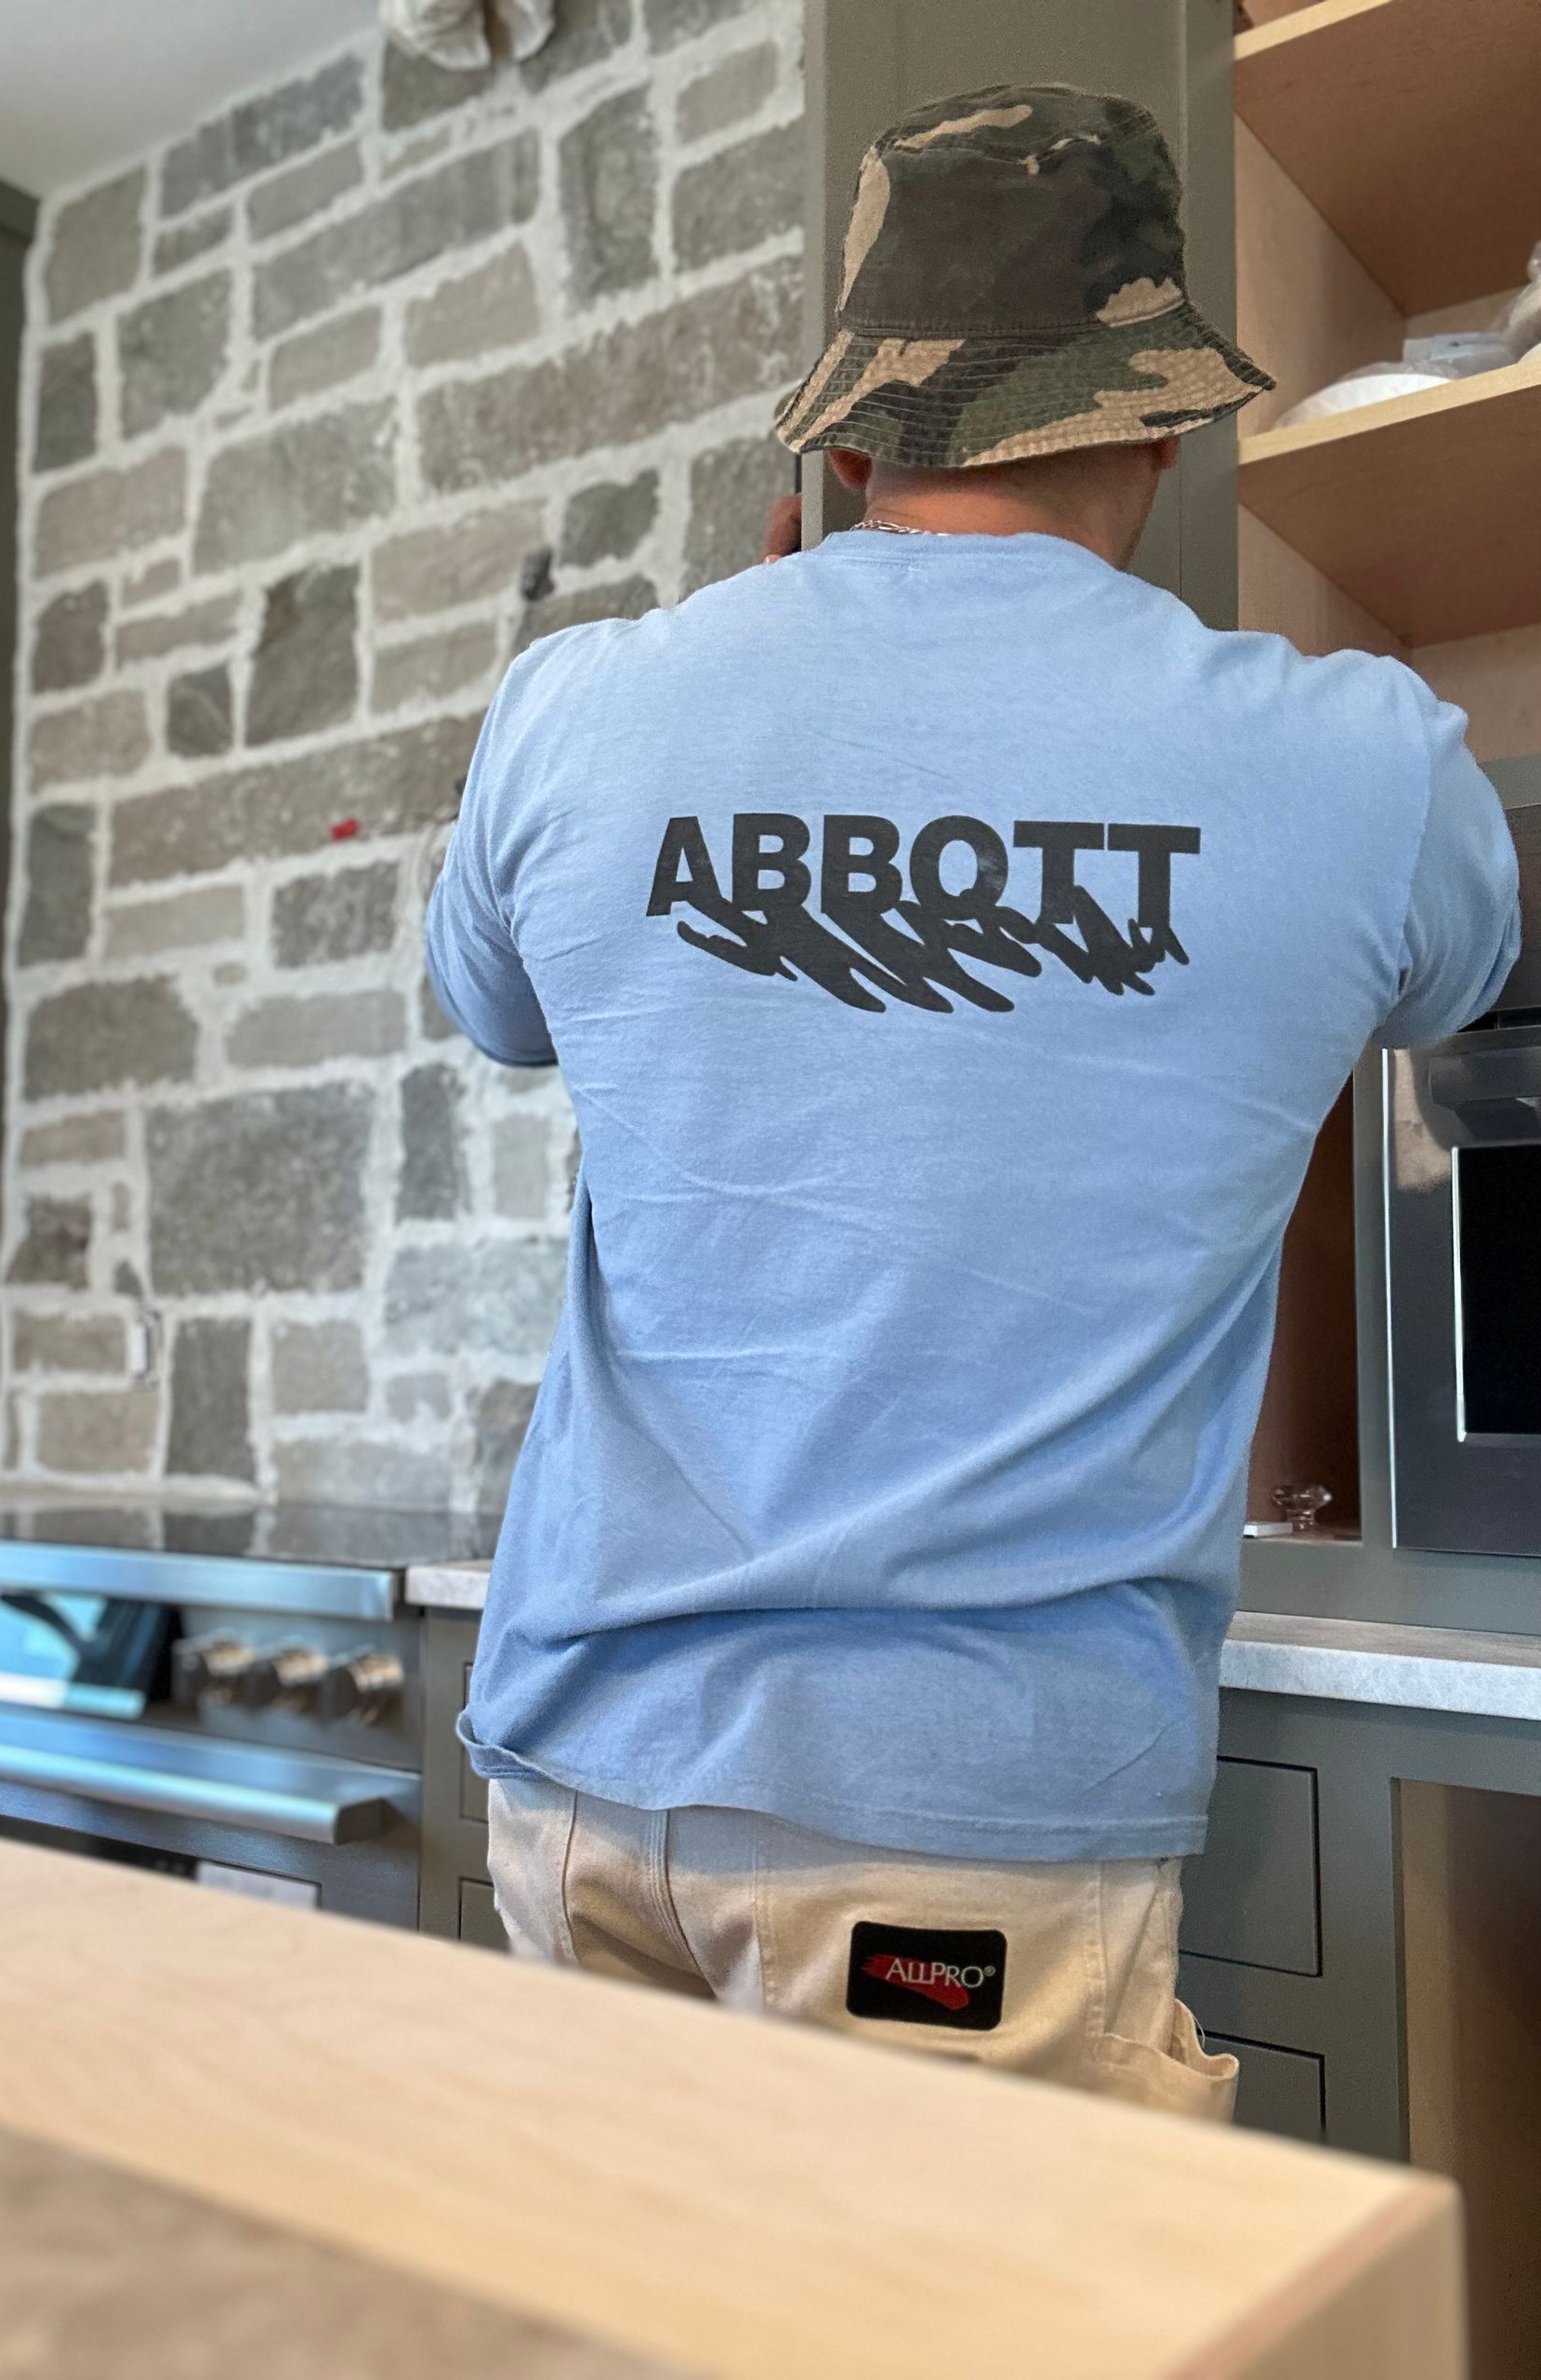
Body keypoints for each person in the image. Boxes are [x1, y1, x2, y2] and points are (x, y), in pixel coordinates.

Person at [424, 86, 1520, 2119]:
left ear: (845, 436)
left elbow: (492, 1001)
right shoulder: (1359, 760)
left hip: (575, 1771)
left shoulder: (580, 702)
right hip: (972, 1834)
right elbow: (1462, 974)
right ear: (1166, 417)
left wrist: (729, 680)